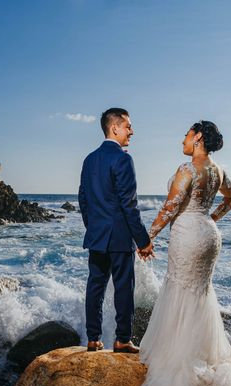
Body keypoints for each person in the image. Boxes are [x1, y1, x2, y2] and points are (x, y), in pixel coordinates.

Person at [121, 120, 231, 386]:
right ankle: (201, 355)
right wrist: (210, 218)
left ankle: (179, 362)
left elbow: (170, 207)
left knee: (179, 288)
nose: (183, 139)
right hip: (208, 234)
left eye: (187, 135)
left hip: (189, 234)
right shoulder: (218, 171)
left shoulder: (187, 170)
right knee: (199, 292)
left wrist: (146, 238)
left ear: (198, 137)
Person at [78, 108, 154, 354]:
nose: (131, 131)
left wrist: (94, 227)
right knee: (123, 288)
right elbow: (129, 205)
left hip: (97, 236)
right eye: (128, 126)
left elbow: (83, 199)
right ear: (115, 128)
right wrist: (143, 240)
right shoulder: (123, 159)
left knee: (95, 286)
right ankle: (122, 339)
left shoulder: (89, 159)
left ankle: (93, 339)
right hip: (120, 236)